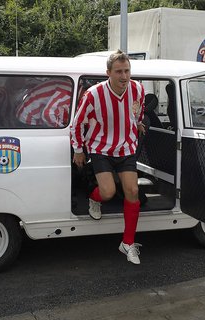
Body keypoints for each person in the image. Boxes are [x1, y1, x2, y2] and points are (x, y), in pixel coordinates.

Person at [70, 50, 145, 265]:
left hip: (126, 148)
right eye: (119, 72)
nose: (124, 76)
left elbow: (137, 113)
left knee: (132, 191)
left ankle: (127, 243)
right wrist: (78, 149)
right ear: (108, 73)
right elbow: (77, 123)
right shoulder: (93, 94)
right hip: (100, 147)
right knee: (108, 191)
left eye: (127, 71)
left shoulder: (138, 89)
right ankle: (95, 198)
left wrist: (138, 124)